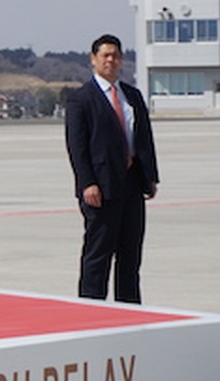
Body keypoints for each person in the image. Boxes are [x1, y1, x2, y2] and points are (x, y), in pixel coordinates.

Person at [64, 33, 159, 303]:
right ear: (93, 60)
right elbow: (77, 147)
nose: (111, 60)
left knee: (131, 254)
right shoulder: (81, 99)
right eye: (105, 55)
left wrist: (150, 176)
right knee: (99, 252)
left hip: (131, 183)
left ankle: (129, 308)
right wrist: (87, 183)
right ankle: (91, 307)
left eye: (115, 55)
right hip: (101, 187)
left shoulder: (132, 96)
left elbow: (144, 139)